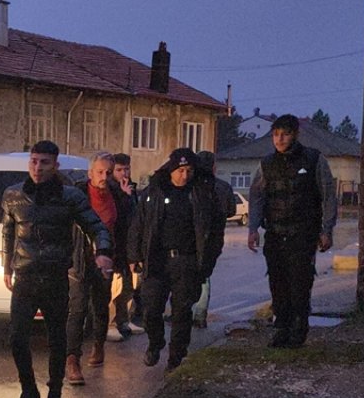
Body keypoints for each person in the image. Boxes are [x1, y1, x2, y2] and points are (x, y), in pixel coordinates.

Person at [2, 140, 113, 398]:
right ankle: (29, 390)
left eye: (44, 162)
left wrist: (103, 252)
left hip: (54, 277)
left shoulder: (70, 197)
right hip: (25, 276)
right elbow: (8, 232)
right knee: (17, 338)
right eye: (34, 161)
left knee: (57, 340)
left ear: (56, 166)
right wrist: (6, 267)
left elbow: (96, 226)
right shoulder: (13, 195)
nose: (38, 168)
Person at [127, 148, 224, 371]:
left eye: (189, 170)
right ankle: (155, 342)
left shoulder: (203, 193)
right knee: (151, 308)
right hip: (157, 260)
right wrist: (134, 255)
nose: (184, 175)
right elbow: (138, 224)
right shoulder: (155, 191)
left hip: (187, 261)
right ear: (171, 170)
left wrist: (207, 263)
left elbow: (216, 231)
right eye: (180, 170)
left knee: (182, 312)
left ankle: (176, 357)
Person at [246, 114, 338, 348]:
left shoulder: (313, 160)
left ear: (295, 134)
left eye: (285, 134)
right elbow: (256, 196)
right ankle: (281, 328)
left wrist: (327, 229)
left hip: (303, 234)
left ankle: (299, 328)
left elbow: (328, 196)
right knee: (278, 283)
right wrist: (253, 228)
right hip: (275, 233)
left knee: (300, 282)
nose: (279, 139)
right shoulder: (266, 164)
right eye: (276, 134)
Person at [64, 151, 133, 384]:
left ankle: (98, 345)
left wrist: (125, 259)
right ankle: (72, 360)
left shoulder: (118, 195)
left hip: (107, 259)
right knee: (77, 309)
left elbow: (126, 227)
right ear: (90, 173)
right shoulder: (77, 194)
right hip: (80, 259)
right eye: (100, 172)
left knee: (101, 306)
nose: (104, 176)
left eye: (108, 172)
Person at [191, 151, 237, 329]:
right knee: (205, 276)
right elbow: (232, 211)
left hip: (194, 237)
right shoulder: (223, 187)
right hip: (215, 238)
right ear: (214, 167)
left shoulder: (193, 186)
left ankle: (186, 312)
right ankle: (200, 314)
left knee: (189, 274)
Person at [110, 153, 142, 337]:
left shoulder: (130, 188)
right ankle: (112, 324)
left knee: (129, 285)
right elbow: (118, 218)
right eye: (119, 170)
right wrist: (125, 197)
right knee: (116, 287)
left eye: (126, 169)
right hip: (116, 246)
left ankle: (125, 321)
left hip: (129, 247)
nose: (124, 173)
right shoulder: (112, 190)